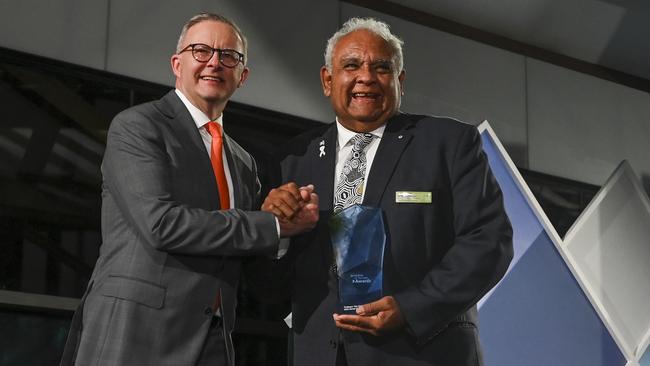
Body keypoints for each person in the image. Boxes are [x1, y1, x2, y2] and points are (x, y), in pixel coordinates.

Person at [59, 13, 318, 366]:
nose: (214, 62)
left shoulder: (243, 163)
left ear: (242, 77)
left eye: (229, 56)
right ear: (177, 64)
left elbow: (247, 258)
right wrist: (270, 226)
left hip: (212, 338)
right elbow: (160, 224)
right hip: (135, 331)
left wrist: (284, 229)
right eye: (201, 51)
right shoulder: (138, 126)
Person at [265, 17, 513, 365]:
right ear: (327, 80)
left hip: (422, 353)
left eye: (381, 67)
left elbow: (489, 242)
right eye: (351, 65)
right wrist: (274, 232)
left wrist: (411, 308)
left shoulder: (449, 144)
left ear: (400, 81)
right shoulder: (292, 160)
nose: (366, 77)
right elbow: (268, 280)